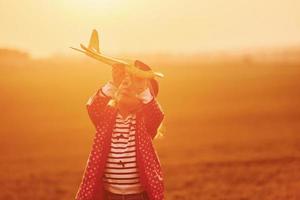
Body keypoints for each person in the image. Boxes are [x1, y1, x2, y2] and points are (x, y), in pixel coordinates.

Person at [75, 60, 165, 200]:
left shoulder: (144, 123)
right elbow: (93, 106)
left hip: (138, 196)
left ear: (142, 100)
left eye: (131, 90)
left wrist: (141, 86)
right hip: (109, 196)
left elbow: (155, 114)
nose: (126, 87)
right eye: (123, 85)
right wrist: (114, 83)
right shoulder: (106, 117)